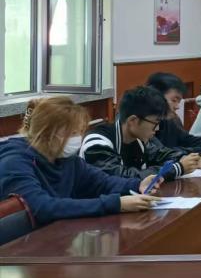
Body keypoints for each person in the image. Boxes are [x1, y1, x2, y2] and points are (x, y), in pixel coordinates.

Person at [0, 97, 163, 226]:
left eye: (79, 132)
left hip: (56, 235)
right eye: (72, 133)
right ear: (47, 133)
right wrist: (116, 204)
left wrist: (137, 185)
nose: (78, 138)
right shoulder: (14, 161)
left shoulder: (66, 158)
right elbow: (41, 207)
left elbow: (102, 182)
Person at [82, 86, 201, 180]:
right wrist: (177, 168)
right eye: (155, 123)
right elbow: (121, 177)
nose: (157, 129)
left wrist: (195, 159)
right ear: (133, 120)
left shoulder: (138, 139)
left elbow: (162, 154)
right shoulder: (97, 143)